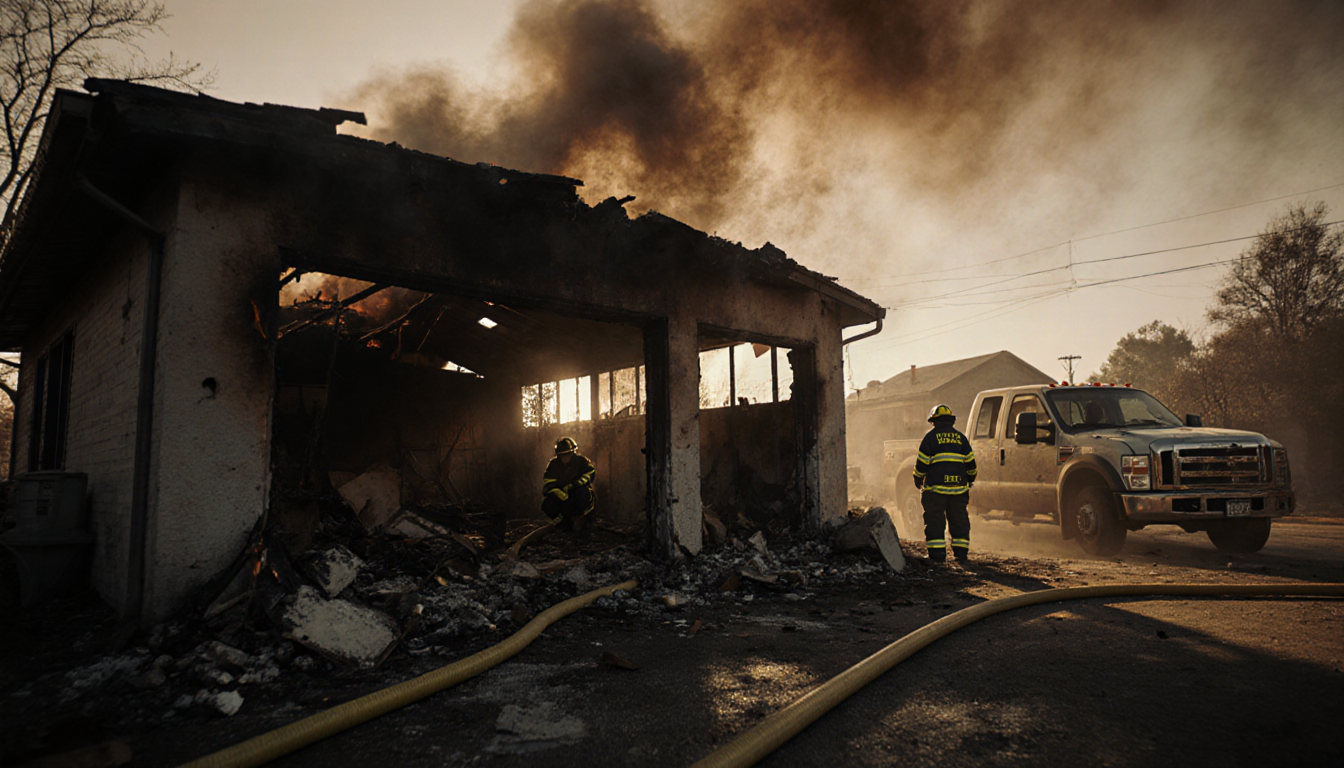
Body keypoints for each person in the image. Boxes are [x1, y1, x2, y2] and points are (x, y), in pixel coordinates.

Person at [912, 404, 977, 564]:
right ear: (951, 421)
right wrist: (969, 480)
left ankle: (937, 556)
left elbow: (921, 465)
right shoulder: (961, 438)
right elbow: (971, 465)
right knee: (959, 520)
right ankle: (961, 555)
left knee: (935, 521)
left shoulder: (930, 438)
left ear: (934, 421)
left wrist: (918, 479)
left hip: (935, 491)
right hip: (959, 491)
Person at [541, 437, 596, 531]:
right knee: (547, 504)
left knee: (584, 493)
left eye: (567, 454)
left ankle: (581, 519)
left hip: (577, 494)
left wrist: (576, 484)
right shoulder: (553, 464)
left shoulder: (581, 461)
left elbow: (590, 473)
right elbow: (548, 481)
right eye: (562, 455)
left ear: (573, 452)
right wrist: (557, 491)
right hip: (562, 496)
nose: (565, 458)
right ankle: (563, 522)